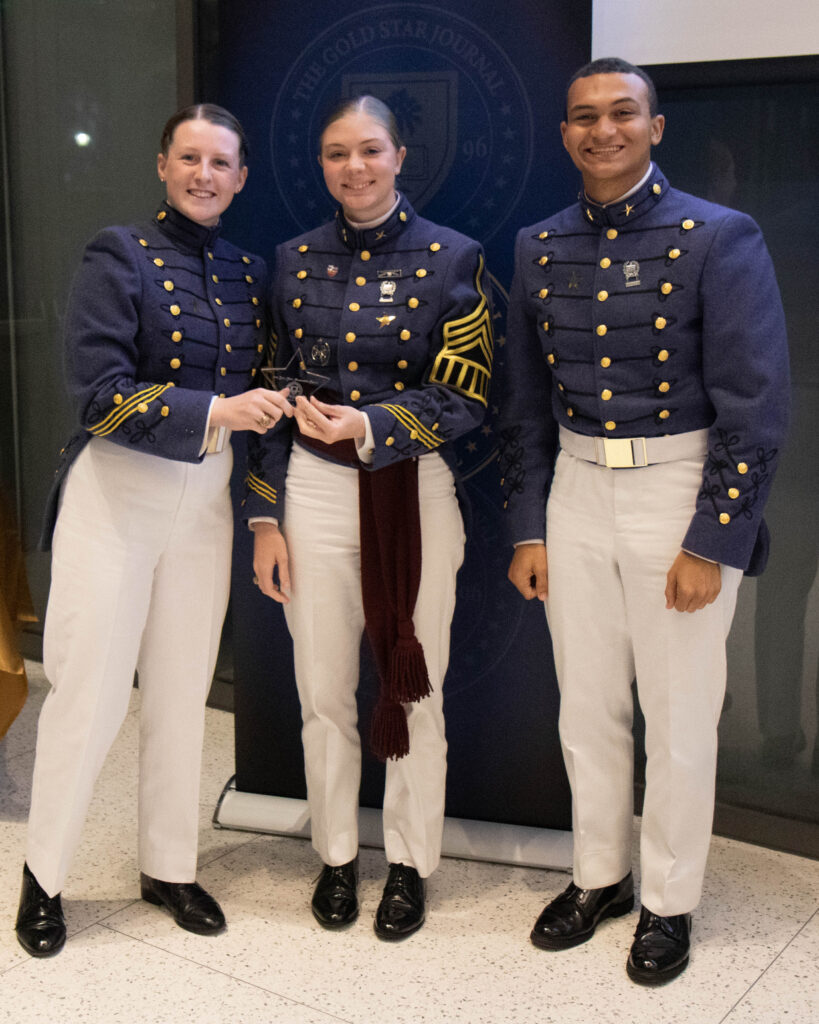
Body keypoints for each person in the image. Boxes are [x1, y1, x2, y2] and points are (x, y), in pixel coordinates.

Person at [498, 58, 789, 984]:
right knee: (585, 709)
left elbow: (756, 408)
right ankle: (599, 875)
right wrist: (529, 528)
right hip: (576, 491)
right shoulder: (538, 245)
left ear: (655, 127)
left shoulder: (718, 236)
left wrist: (712, 540)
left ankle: (667, 901)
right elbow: (523, 406)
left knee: (678, 718)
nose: (603, 130)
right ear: (564, 135)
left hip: (678, 490)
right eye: (583, 116)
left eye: (622, 112)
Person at [15, 104, 292, 958]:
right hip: (119, 494)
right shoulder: (119, 252)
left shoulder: (252, 275)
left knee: (179, 693)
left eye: (221, 163)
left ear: (241, 177)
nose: (205, 175)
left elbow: (264, 417)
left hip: (206, 501)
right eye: (190, 160)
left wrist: (262, 515)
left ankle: (168, 867)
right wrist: (215, 408)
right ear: (162, 167)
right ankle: (44, 876)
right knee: (89, 695)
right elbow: (96, 392)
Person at [248, 95, 492, 939]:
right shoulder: (290, 261)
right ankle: (337, 858)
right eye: (335, 153)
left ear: (399, 156)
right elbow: (269, 394)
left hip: (412, 489)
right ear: (321, 164)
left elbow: (467, 396)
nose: (353, 167)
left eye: (370, 150)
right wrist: (264, 519)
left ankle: (410, 865)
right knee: (321, 693)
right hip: (314, 490)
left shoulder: (454, 257)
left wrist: (374, 426)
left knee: (413, 690)